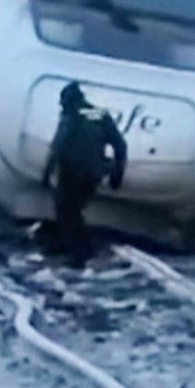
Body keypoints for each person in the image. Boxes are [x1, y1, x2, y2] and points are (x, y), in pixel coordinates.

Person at [42, 82, 127, 266]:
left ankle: (80, 253)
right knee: (74, 210)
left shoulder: (71, 116)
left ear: (70, 101)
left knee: (66, 211)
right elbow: (120, 146)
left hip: (72, 171)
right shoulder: (101, 115)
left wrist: (46, 173)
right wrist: (117, 175)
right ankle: (72, 246)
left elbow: (58, 146)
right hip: (94, 173)